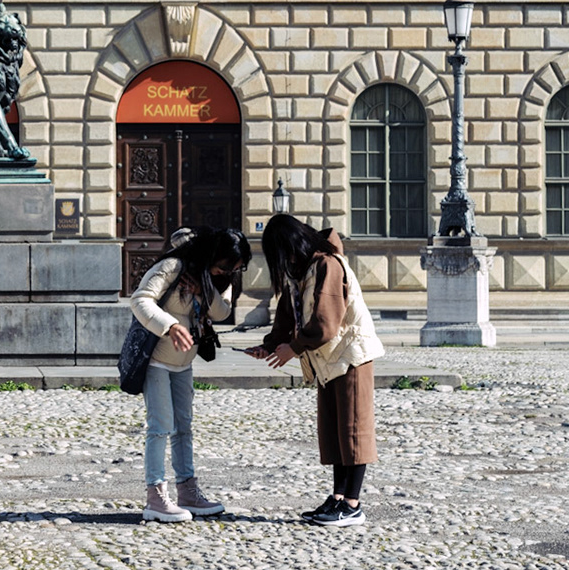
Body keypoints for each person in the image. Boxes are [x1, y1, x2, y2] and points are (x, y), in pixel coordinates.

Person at [247, 213, 386, 528]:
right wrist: (270, 346)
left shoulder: (327, 265)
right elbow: (286, 316)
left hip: (351, 355)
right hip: (327, 360)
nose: (282, 261)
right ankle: (337, 498)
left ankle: (352, 503)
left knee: (353, 432)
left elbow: (325, 324)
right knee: (334, 433)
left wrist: (293, 349)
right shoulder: (301, 271)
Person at [127, 226, 250, 523]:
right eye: (224, 266)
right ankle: (155, 497)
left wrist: (204, 289)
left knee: (184, 427)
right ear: (212, 255)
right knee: (160, 426)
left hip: (184, 363)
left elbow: (221, 313)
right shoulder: (172, 267)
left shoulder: (211, 277)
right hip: (157, 359)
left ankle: (187, 491)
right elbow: (140, 299)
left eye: (234, 269)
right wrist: (169, 325)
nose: (226, 273)